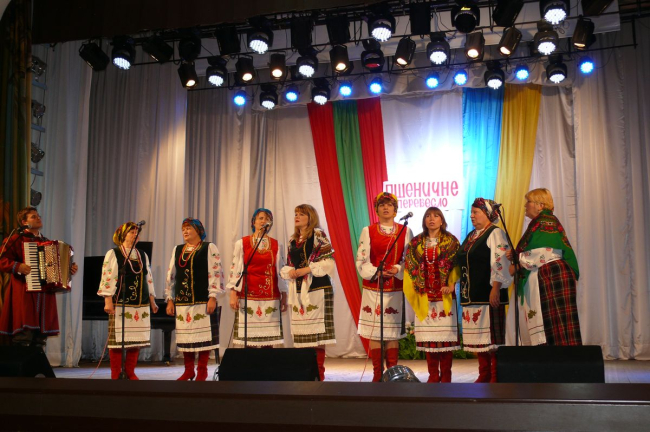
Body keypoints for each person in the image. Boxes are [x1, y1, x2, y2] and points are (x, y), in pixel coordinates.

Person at [506, 188, 581, 346]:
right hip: (555, 273)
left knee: (553, 324)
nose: (525, 205)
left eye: (529, 202)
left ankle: (556, 359)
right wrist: (516, 255)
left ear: (540, 205)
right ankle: (564, 359)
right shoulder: (546, 221)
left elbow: (543, 251)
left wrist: (517, 263)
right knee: (560, 325)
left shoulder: (543, 222)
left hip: (551, 275)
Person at [0, 207, 78, 347]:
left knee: (40, 338)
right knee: (24, 335)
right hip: (24, 292)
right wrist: (18, 266)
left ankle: (36, 360)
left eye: (38, 216)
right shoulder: (16, 239)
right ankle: (22, 360)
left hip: (44, 295)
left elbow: (55, 268)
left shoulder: (47, 242)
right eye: (33, 217)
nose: (38, 218)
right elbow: (2, 261)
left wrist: (69, 268)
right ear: (24, 222)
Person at [355, 192, 412, 382]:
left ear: (395, 210)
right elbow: (361, 259)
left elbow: (409, 260)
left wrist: (397, 269)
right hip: (373, 288)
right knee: (375, 332)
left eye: (389, 205)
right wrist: (376, 272)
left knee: (392, 332)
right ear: (376, 209)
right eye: (382, 205)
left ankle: (392, 373)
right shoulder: (368, 230)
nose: (386, 208)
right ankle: (377, 374)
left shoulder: (405, 231)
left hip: (394, 287)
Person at [454, 198, 512, 383]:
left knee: (491, 339)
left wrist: (496, 288)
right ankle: (484, 374)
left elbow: (500, 262)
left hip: (487, 294)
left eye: (476, 212)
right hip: (471, 295)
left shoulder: (495, 233)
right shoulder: (472, 235)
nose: (472, 216)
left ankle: (495, 376)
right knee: (479, 340)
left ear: (487, 214)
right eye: (471, 212)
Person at [404, 207, 460, 383]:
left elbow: (457, 265)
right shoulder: (416, 243)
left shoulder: (451, 241)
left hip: (444, 297)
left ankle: (447, 376)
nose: (432, 219)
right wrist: (417, 286)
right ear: (424, 221)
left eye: (436, 216)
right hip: (425, 297)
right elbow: (410, 266)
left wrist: (451, 284)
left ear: (442, 220)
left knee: (445, 341)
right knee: (429, 342)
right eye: (428, 216)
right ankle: (433, 376)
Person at [280, 204, 335, 381]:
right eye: (295, 214)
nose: (296, 217)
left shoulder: (318, 235)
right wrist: (290, 271)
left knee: (317, 336)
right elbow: (290, 263)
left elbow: (328, 261)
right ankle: (306, 374)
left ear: (310, 217)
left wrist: (307, 269)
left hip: (318, 289)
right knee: (303, 335)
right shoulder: (293, 240)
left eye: (301, 214)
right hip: (299, 291)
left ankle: (319, 374)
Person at [97, 222, 158, 380]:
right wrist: (108, 300)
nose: (135, 234)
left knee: (135, 340)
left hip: (140, 303)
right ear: (123, 235)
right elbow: (108, 276)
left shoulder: (142, 255)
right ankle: (115, 373)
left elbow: (148, 278)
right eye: (132, 232)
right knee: (117, 341)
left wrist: (152, 300)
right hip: (120, 302)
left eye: (137, 232)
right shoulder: (114, 253)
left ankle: (130, 371)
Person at [165, 218, 222, 381]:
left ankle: (202, 370)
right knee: (186, 338)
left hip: (202, 300)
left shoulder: (208, 247)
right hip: (182, 301)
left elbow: (215, 272)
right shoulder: (177, 250)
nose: (185, 231)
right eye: (183, 228)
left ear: (198, 230)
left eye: (189, 228)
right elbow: (171, 275)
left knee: (204, 338)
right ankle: (188, 370)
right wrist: (170, 299)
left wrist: (212, 296)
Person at [227, 208, 287, 347]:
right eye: (260, 218)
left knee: (268, 340)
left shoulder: (277, 245)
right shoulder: (242, 243)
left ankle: (266, 361)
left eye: (267, 219)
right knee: (249, 340)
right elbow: (236, 269)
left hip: (271, 297)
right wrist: (233, 293)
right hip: (247, 295)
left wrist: (284, 295)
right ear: (253, 222)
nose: (264, 221)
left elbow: (281, 271)